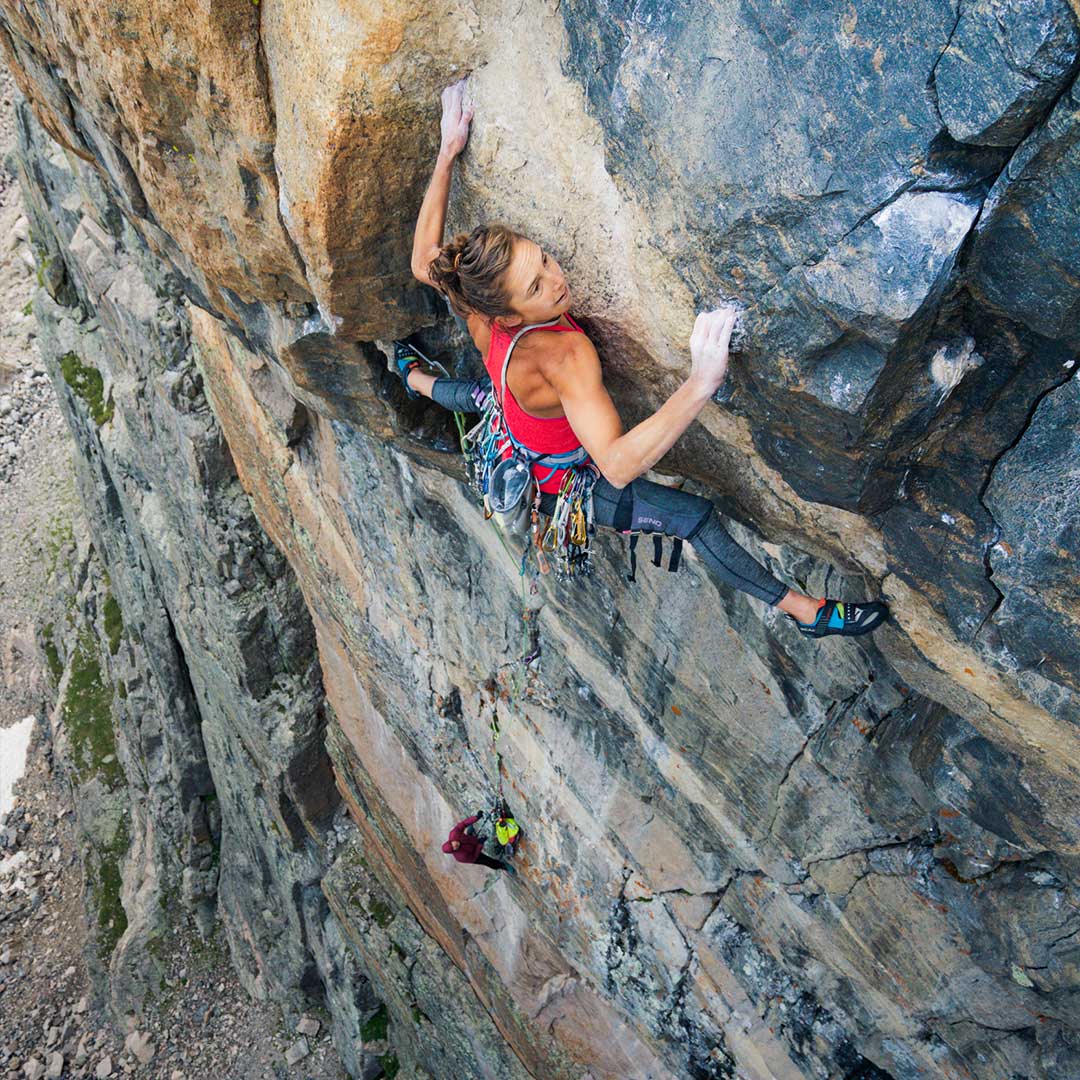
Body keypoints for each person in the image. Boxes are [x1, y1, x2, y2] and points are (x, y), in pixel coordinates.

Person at [400, 78, 888, 638]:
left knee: (482, 394)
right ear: (507, 316)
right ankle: (808, 614)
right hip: (570, 483)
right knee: (698, 520)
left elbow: (423, 262)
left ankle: (411, 377)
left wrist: (448, 149)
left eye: (545, 261)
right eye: (536, 288)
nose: (557, 281)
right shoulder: (566, 355)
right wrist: (701, 382)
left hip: (514, 424)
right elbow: (616, 465)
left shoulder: (479, 308)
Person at [442, 811, 516, 874]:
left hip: (469, 840)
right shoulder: (461, 857)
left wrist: (476, 817)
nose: (455, 845)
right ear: (454, 851)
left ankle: (470, 833)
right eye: (454, 848)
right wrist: (480, 844)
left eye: (453, 843)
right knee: (488, 861)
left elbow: (463, 824)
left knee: (470, 836)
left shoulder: (454, 834)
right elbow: (474, 856)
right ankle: (503, 866)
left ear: (450, 841)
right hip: (473, 854)